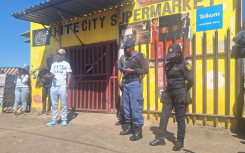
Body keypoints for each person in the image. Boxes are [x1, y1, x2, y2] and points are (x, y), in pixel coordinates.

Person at [149, 43, 194, 151]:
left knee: (180, 118)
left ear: (179, 53)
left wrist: (185, 90)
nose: (171, 56)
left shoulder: (185, 65)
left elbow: (191, 80)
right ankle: (160, 138)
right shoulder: (167, 65)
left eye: (174, 54)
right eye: (170, 54)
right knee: (164, 116)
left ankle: (180, 141)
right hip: (169, 92)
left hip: (180, 92)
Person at [119, 39, 149, 141]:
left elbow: (146, 70)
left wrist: (133, 71)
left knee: (136, 106)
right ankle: (129, 128)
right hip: (126, 83)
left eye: (125, 48)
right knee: (126, 107)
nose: (124, 50)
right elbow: (120, 68)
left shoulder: (139, 56)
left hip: (135, 83)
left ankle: (138, 131)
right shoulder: (125, 58)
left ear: (130, 48)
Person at [46, 49, 72, 126]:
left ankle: (64, 119)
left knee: (63, 104)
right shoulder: (53, 64)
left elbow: (69, 75)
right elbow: (51, 75)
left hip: (62, 86)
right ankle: (54, 120)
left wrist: (67, 85)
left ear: (63, 56)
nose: (57, 55)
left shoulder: (66, 64)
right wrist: (51, 76)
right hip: (54, 87)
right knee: (54, 105)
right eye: (57, 54)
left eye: (59, 54)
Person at [115, 49, 128, 126]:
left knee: (132, 103)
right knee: (124, 102)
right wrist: (118, 80)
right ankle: (123, 119)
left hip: (133, 84)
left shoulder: (135, 57)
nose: (125, 50)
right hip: (124, 83)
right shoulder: (122, 58)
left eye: (127, 47)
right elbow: (119, 69)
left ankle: (132, 121)